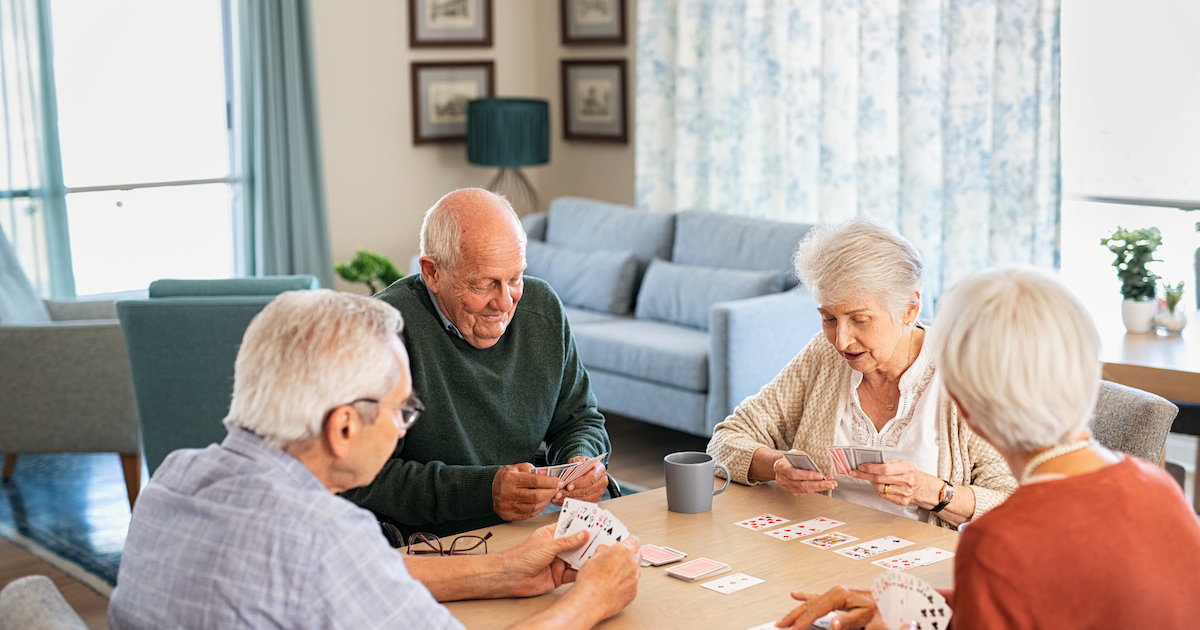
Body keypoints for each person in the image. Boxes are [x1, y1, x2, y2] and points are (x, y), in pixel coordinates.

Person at [108, 290, 640, 630]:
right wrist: (591, 600)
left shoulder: (171, 478)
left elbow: (358, 577)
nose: (405, 423)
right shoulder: (325, 536)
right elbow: (332, 564)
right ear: (343, 427)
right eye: (402, 408)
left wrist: (502, 572)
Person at [776, 267, 1200, 630]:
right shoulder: (1161, 490)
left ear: (962, 405)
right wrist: (902, 607)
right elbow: (1055, 601)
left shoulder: (999, 541)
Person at [707, 218, 1015, 529]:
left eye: (860, 319)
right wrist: (775, 466)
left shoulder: (965, 371)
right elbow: (724, 442)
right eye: (828, 318)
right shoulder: (825, 356)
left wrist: (932, 491)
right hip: (821, 548)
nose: (841, 340)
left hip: (922, 562)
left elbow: (1014, 502)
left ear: (910, 308)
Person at [342, 188, 611, 538]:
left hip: (529, 529)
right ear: (432, 272)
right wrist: (484, 492)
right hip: (423, 544)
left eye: (515, 279)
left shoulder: (542, 308)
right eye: (483, 284)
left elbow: (580, 418)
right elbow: (362, 478)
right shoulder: (381, 332)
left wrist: (581, 461)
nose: (504, 302)